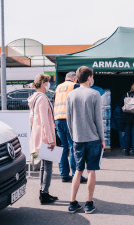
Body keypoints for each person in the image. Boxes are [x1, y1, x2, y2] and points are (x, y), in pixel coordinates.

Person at [66, 66, 105, 214]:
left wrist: (73, 134)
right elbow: (98, 120)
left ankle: (72, 203)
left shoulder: (71, 95)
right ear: (89, 77)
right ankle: (89, 203)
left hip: (78, 138)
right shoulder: (95, 94)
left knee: (77, 170)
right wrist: (102, 138)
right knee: (91, 171)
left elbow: (69, 120)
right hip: (93, 138)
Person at [28, 73, 58, 204]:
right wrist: (51, 139)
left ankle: (43, 192)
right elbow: (46, 121)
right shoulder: (43, 99)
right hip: (45, 138)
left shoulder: (34, 98)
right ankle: (44, 194)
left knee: (43, 166)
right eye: (47, 82)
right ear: (42, 84)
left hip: (39, 136)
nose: (48, 84)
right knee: (48, 166)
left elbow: (32, 119)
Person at [54, 71, 87, 183]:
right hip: (70, 120)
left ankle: (64, 174)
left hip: (58, 119)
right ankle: (76, 175)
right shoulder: (75, 86)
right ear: (74, 78)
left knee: (62, 148)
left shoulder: (58, 87)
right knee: (73, 147)